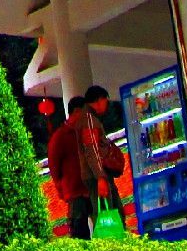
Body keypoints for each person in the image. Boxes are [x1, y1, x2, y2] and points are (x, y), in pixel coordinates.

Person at [48, 86, 128, 239]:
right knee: (81, 229)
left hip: (91, 183)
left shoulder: (86, 125)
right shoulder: (66, 134)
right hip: (78, 189)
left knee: (107, 218)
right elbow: (56, 166)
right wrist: (100, 177)